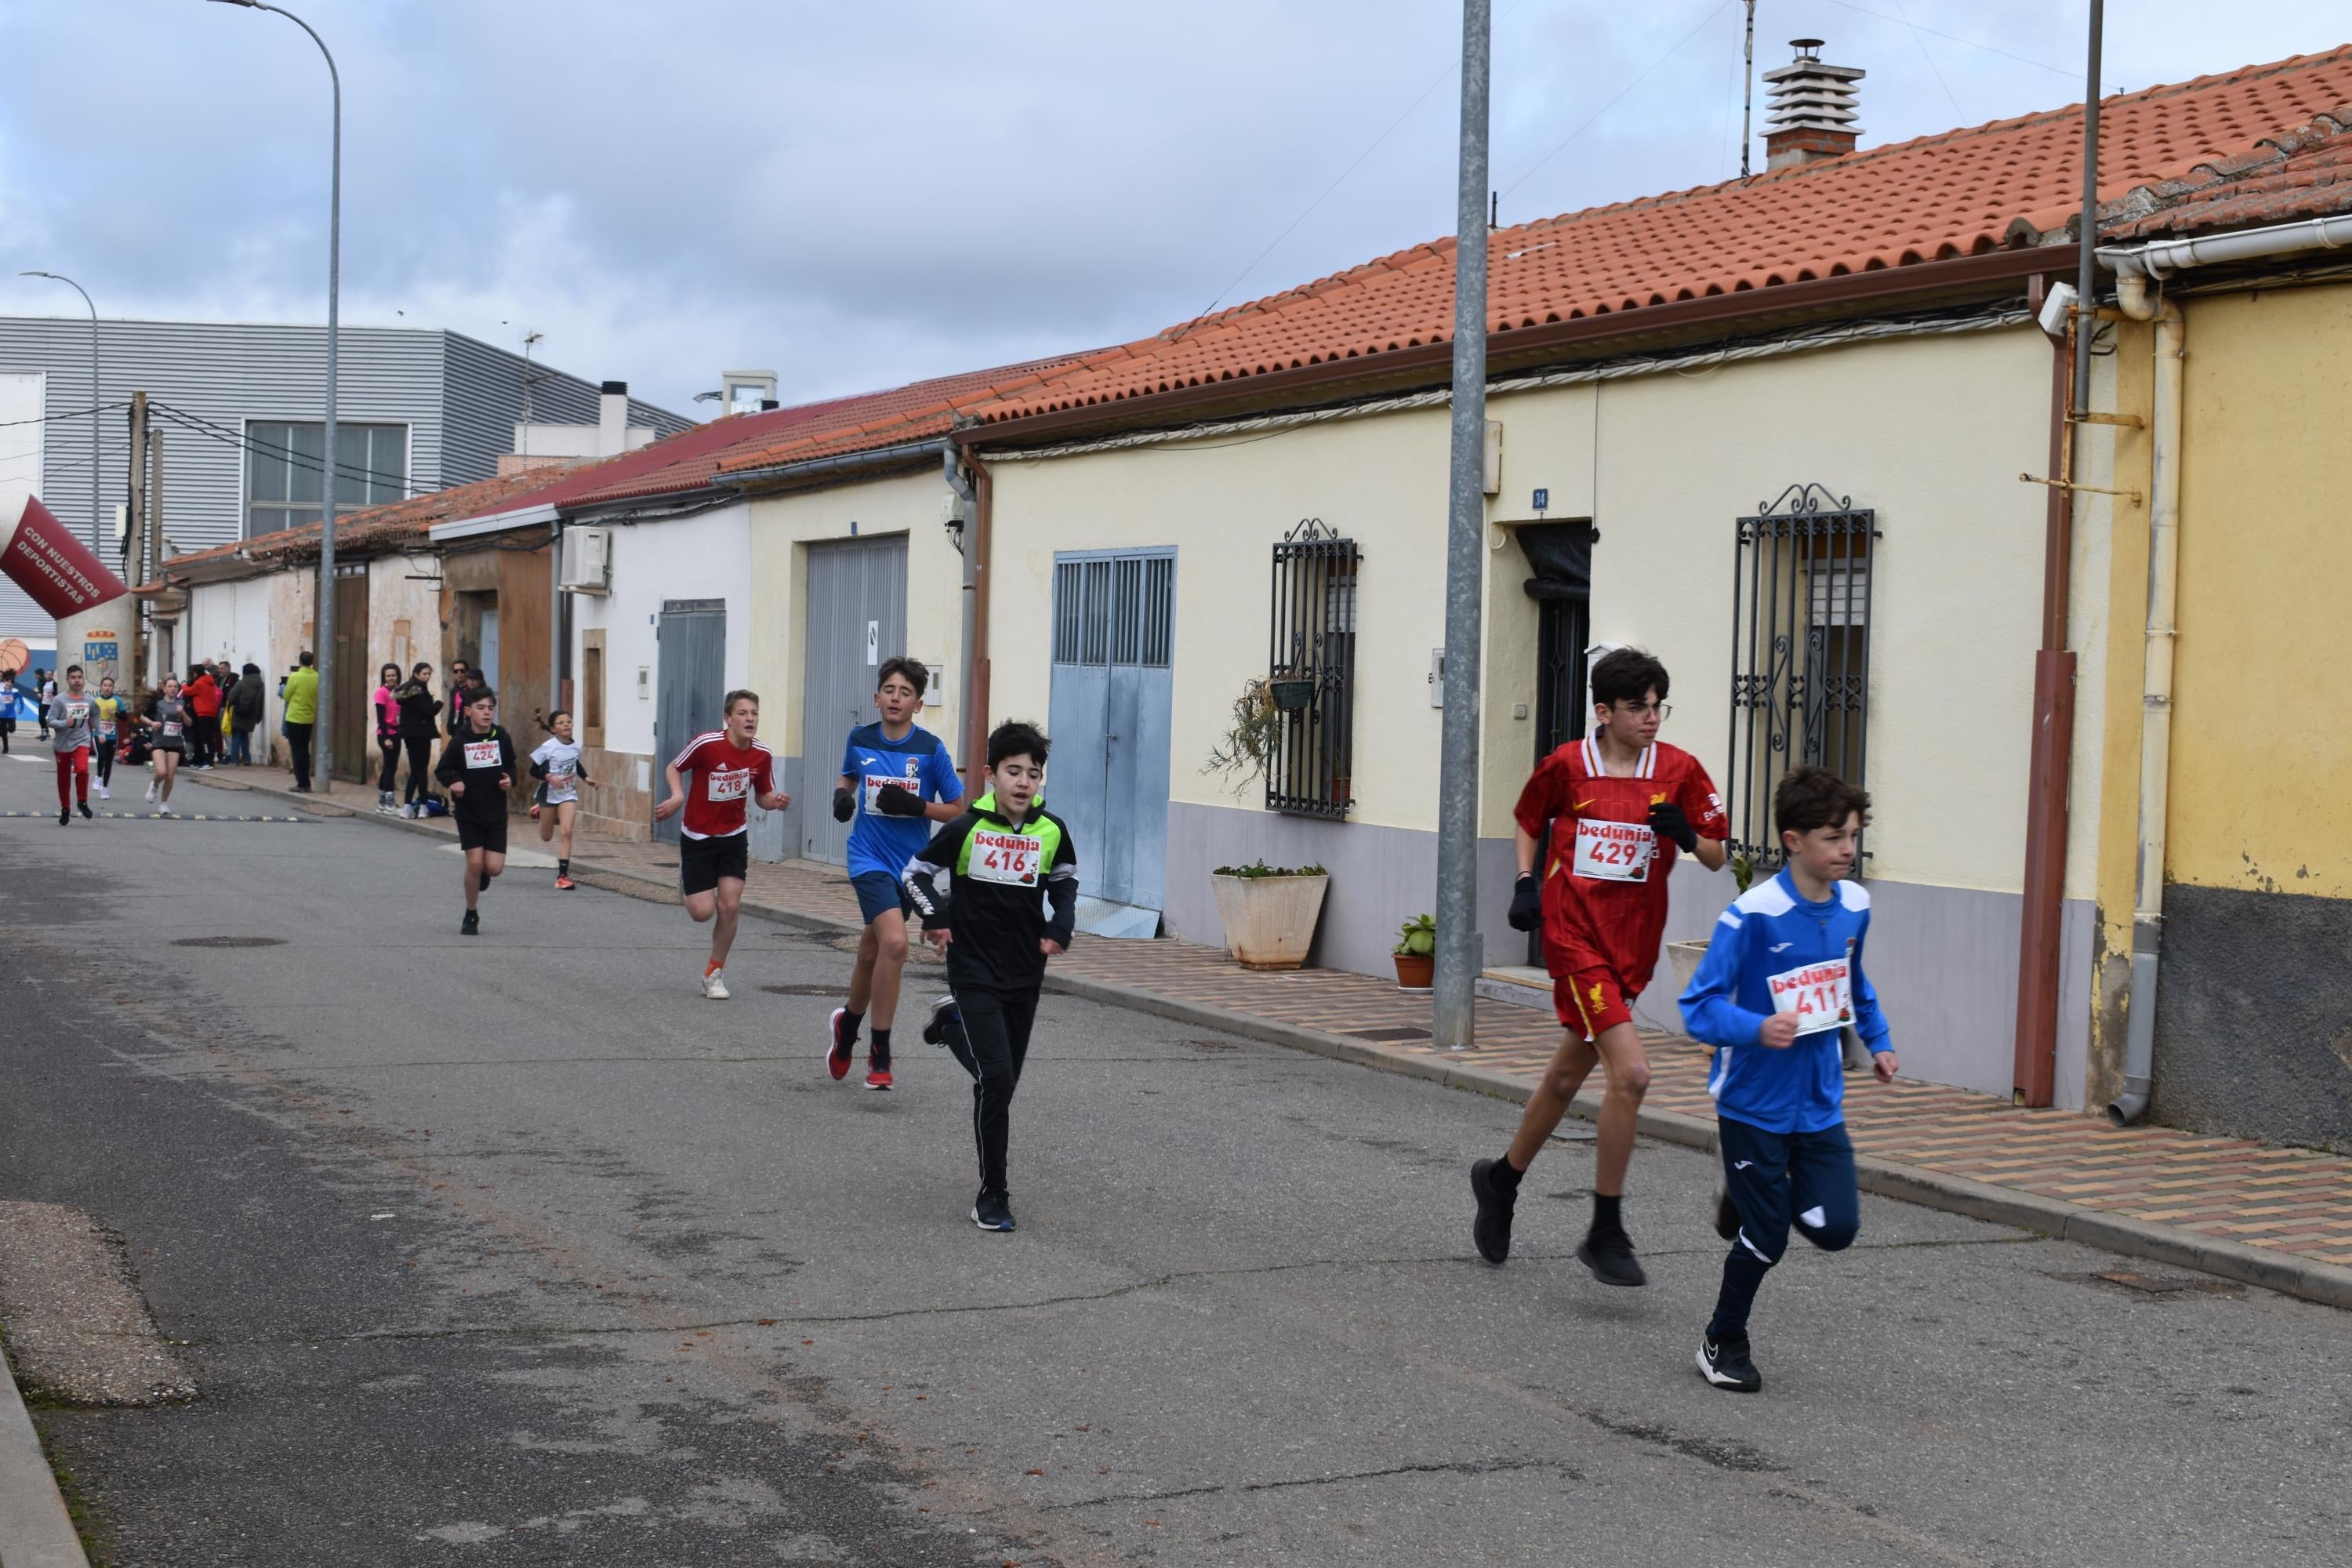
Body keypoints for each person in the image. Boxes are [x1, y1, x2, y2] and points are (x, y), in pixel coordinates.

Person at [1469, 647, 1730, 1287]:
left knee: (1563, 1081)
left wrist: (1685, 837)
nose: (1651, 717)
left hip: (1633, 944)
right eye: (1638, 707)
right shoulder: (1567, 764)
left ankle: (1500, 1180)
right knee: (1633, 1074)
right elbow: (1528, 820)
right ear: (1603, 712)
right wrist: (1526, 882)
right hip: (1575, 935)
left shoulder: (1680, 770)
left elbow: (1719, 855)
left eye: (1657, 705)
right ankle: (1605, 1227)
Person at [1680, 765, 1895, 1393]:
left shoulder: (1856, 905)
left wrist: (1879, 1043)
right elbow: (1699, 1006)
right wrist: (1756, 1028)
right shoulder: (1753, 915)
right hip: (1752, 1102)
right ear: (1793, 839)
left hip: (1821, 1104)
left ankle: (1746, 1196)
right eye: (1834, 837)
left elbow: (1854, 984)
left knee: (1838, 1230)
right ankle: (1722, 1342)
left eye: (1853, 835)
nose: (1847, 851)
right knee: (1769, 1236)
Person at [904, 721, 1079, 1233]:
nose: (1024, 782)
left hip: (1025, 970)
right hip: (974, 966)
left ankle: (950, 1024)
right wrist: (935, 918)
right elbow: (914, 874)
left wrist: (1059, 925)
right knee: (996, 1078)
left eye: (1033, 773)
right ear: (991, 775)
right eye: (1013, 772)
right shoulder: (967, 828)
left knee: (1001, 1085)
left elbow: (1066, 884)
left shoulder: (1052, 831)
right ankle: (992, 1194)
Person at [826, 658, 964, 1091]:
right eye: (889, 689)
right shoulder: (860, 738)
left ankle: (847, 1027)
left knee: (872, 952)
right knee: (896, 944)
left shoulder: (931, 749)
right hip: (868, 858)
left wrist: (917, 807)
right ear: (876, 697)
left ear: (918, 704)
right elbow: (849, 777)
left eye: (905, 692)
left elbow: (958, 810)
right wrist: (841, 798)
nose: (896, 698)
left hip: (911, 867)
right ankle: (880, 1051)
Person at [652, 690, 789, 999]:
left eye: (754, 713)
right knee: (702, 912)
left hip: (732, 836)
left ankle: (714, 973)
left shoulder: (762, 755)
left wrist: (775, 802)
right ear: (728, 719)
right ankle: (689, 882)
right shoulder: (707, 745)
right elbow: (674, 767)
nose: (750, 718)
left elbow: (762, 795)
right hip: (697, 836)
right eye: (742, 713)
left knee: (730, 905)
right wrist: (677, 796)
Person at [434, 685, 517, 936]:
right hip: (469, 812)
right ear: (468, 711)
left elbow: (512, 765)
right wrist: (455, 781)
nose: (487, 713)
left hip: (495, 812)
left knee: (494, 868)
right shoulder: (461, 740)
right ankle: (471, 913)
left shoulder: (501, 737)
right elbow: (443, 770)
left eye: (491, 708)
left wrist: (509, 780)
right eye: (481, 708)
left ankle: (482, 875)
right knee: (475, 862)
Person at [528, 708, 590, 889]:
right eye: (561, 723)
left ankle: (563, 876)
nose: (566, 725)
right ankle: (539, 810)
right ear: (554, 728)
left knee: (566, 832)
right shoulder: (549, 747)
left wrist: (587, 779)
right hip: (548, 794)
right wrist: (549, 777)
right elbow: (533, 770)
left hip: (568, 794)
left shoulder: (576, 747)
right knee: (546, 836)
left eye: (569, 722)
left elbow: (576, 764)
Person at [45, 664, 95, 826]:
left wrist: (100, 732)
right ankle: (65, 808)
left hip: (82, 740)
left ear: (84, 680)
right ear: (67, 680)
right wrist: (65, 723)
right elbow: (50, 721)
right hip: (62, 744)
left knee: (82, 768)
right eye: (73, 677)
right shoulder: (59, 700)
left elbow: (96, 718)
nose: (77, 680)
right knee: (63, 777)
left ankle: (82, 801)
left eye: (80, 677)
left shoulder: (90, 700)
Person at [394, 662, 442, 818]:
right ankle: (421, 807)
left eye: (429, 674)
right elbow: (428, 711)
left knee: (416, 770)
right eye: (424, 674)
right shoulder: (418, 689)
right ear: (416, 674)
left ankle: (409, 806)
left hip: (409, 734)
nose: (427, 677)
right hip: (420, 734)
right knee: (420, 771)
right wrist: (438, 705)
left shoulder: (407, 688)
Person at [140, 673, 190, 818]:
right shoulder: (157, 703)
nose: (173, 689)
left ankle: (164, 803)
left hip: (175, 743)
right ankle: (154, 786)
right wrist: (152, 723)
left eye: (175, 687)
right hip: (159, 742)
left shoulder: (182, 703)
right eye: (170, 686)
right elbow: (142, 716)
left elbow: (189, 723)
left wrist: (183, 714)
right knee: (161, 772)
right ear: (165, 689)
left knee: (170, 776)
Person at [280, 652, 319, 792]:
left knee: (297, 751)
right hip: (309, 718)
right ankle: (305, 782)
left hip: (294, 718)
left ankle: (302, 783)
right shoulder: (317, 677)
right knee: (304, 750)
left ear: (300, 661)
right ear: (312, 662)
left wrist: (284, 686)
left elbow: (286, 695)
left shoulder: (295, 677)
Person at [372, 662, 404, 813]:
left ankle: (382, 802)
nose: (392, 678)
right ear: (384, 677)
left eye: (394, 675)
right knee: (391, 768)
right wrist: (386, 738)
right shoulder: (381, 692)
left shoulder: (399, 692)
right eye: (389, 675)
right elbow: (381, 717)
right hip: (386, 734)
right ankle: (390, 804)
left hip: (397, 733)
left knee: (390, 767)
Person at [90, 675, 125, 800]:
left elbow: (125, 718)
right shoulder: (95, 701)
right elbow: (89, 716)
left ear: (113, 688)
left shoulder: (117, 701)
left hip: (112, 735)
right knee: (102, 756)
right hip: (98, 733)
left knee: (109, 762)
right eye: (105, 685)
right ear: (101, 687)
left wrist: (115, 713)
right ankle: (99, 777)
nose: (107, 688)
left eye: (110, 686)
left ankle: (105, 788)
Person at [184, 663, 220, 771]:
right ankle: (207, 760)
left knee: (205, 739)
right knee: (209, 737)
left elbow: (188, 691)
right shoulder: (209, 682)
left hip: (203, 713)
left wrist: (184, 685)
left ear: (196, 673)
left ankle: (208, 761)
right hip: (211, 713)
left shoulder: (199, 683)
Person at [227, 662, 263, 766]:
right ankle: (247, 759)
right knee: (245, 736)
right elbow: (260, 702)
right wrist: (258, 717)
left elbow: (231, 698)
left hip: (239, 713)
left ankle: (234, 760)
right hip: (251, 715)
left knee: (236, 737)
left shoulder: (241, 683)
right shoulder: (261, 685)